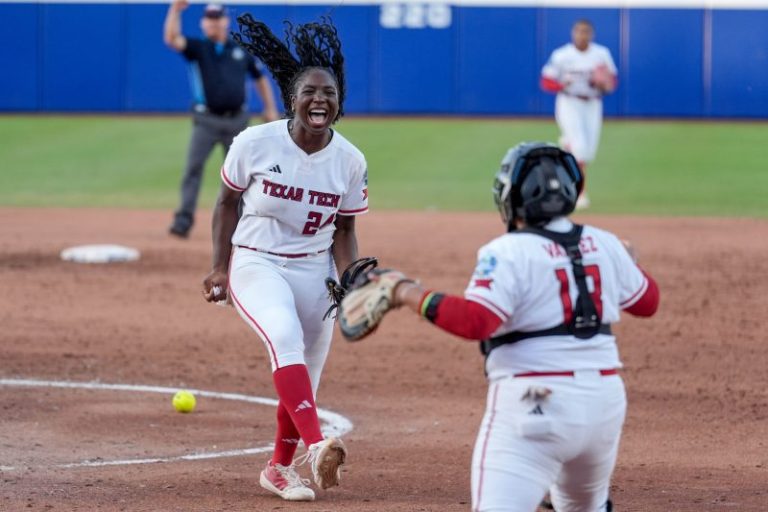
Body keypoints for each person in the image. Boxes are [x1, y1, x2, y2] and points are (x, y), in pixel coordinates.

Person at [342, 142, 659, 511]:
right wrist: (626, 263)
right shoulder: (605, 243)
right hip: (604, 405)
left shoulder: (508, 250)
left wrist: (404, 291)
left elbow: (477, 321)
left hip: (534, 405)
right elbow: (647, 302)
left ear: (511, 196)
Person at [201, 15, 369, 503]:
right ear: (292, 98)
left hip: (316, 270)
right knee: (283, 334)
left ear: (339, 103)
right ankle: (317, 446)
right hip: (257, 261)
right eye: (309, 92)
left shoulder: (350, 160)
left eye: (329, 93)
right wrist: (219, 265)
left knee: (305, 376)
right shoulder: (255, 142)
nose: (320, 99)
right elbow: (226, 203)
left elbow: (345, 229)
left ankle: (278, 469)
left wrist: (350, 279)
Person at [164, 1, 279, 238]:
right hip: (206, 120)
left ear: (225, 21)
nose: (213, 23)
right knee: (193, 168)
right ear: (203, 23)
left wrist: (270, 107)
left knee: (242, 175)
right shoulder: (197, 48)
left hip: (237, 122)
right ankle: (183, 220)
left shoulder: (240, 51)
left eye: (217, 18)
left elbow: (259, 77)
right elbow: (172, 38)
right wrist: (175, 10)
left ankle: (244, 223)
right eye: (209, 18)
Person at [540, 19, 617, 210]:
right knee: (580, 148)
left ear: (591, 34)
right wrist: (560, 85)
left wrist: (603, 84)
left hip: (592, 103)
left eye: (586, 32)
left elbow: (612, 81)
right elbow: (546, 81)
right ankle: (580, 192)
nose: (582, 35)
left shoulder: (601, 54)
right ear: (573, 33)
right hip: (569, 102)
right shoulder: (562, 55)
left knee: (588, 152)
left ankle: (567, 144)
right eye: (579, 31)